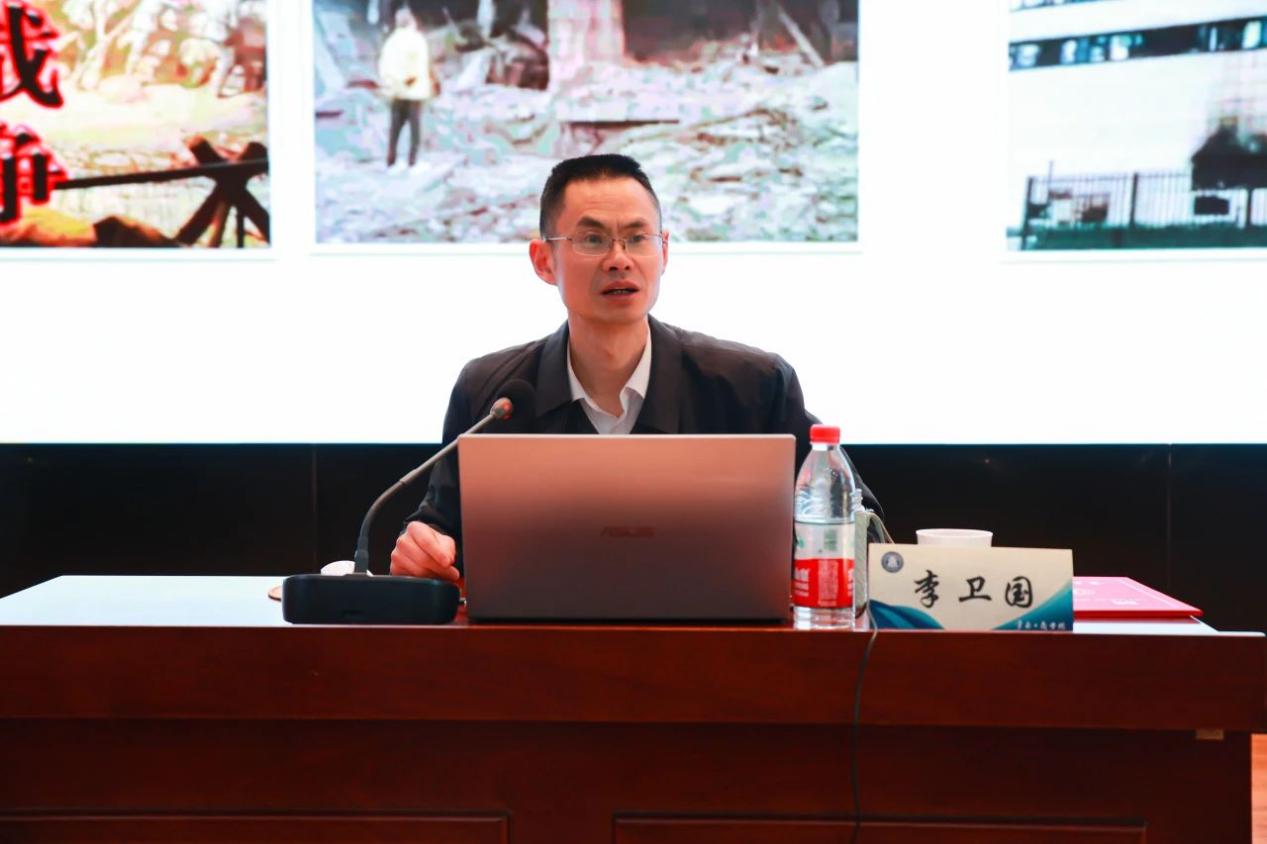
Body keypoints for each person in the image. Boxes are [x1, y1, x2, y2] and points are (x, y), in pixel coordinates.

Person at [390, 154, 879, 580]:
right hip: (538, 648)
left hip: (718, 647)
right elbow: (440, 531)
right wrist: (423, 550)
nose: (619, 260)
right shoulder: (493, 394)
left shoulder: (752, 386)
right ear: (543, 261)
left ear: (663, 251)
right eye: (592, 239)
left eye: (637, 238)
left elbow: (864, 532)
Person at [377, 7, 434, 174]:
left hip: (396, 92)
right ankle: (413, 162)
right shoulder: (417, 40)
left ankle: (391, 162)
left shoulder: (390, 42)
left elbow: (384, 66)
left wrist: (392, 84)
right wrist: (411, 80)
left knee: (395, 128)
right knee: (415, 129)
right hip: (414, 91)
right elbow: (420, 64)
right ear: (412, 22)